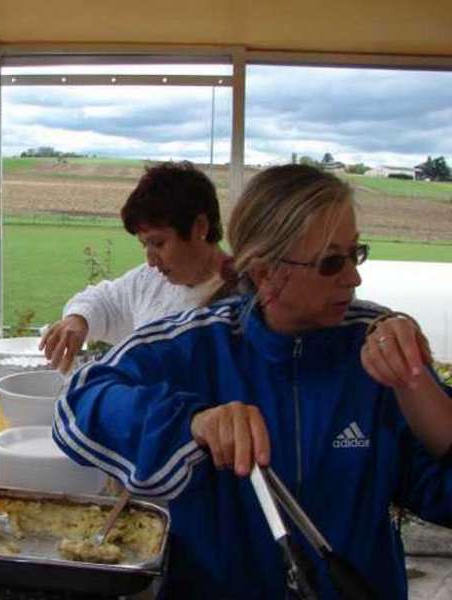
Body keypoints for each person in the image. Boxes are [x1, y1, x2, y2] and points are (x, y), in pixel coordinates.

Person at [54, 164, 452, 599]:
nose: (353, 278)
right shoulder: (197, 344)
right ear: (264, 274)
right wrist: (192, 423)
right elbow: (79, 402)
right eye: (330, 262)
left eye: (354, 254)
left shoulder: (375, 350)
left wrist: (417, 385)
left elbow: (436, 489)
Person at [39, 161, 228, 372]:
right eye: (144, 244)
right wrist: (78, 319)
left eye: (158, 243)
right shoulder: (149, 281)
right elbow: (103, 301)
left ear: (200, 227)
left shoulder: (244, 300)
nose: (151, 260)